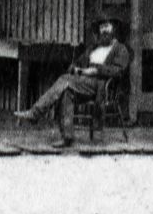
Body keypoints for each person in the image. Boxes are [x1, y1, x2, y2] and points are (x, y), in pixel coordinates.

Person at [18, 16, 131, 146]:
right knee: (66, 92)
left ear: (114, 29)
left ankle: (35, 113)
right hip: (83, 83)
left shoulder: (120, 49)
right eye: (101, 27)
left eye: (107, 26)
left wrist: (95, 71)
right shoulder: (94, 48)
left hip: (101, 86)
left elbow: (118, 71)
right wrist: (75, 68)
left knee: (64, 80)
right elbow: (77, 62)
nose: (104, 30)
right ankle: (67, 137)